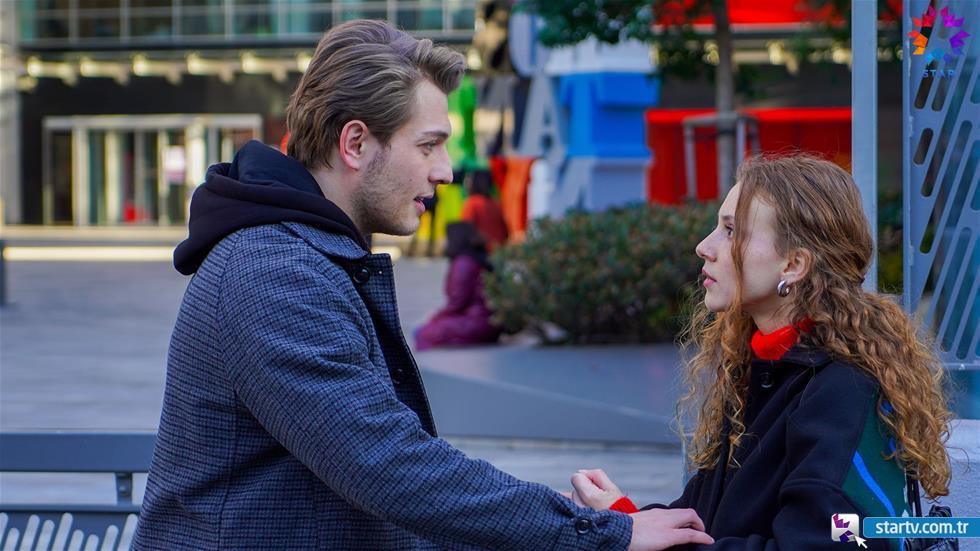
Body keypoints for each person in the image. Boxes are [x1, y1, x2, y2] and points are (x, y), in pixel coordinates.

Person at [133, 19, 713, 551]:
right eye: (428, 144)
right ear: (355, 144)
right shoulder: (272, 272)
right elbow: (390, 467)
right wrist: (601, 534)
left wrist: (564, 526)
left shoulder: (302, 255)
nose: (446, 170)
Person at [567, 155, 952, 550]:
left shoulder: (844, 391)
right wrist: (622, 519)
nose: (704, 247)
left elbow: (825, 544)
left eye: (731, 231)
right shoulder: (762, 370)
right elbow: (703, 524)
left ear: (794, 264)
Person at [415, 221, 501, 350]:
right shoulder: (476, 258)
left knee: (421, 333)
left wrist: (435, 317)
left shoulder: (464, 263)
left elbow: (457, 302)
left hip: (476, 323)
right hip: (488, 323)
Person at [461, 169, 509, 251]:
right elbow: (505, 232)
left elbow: (466, 231)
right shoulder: (496, 204)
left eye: (468, 180)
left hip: (480, 252)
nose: (465, 183)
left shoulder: (471, 203)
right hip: (498, 251)